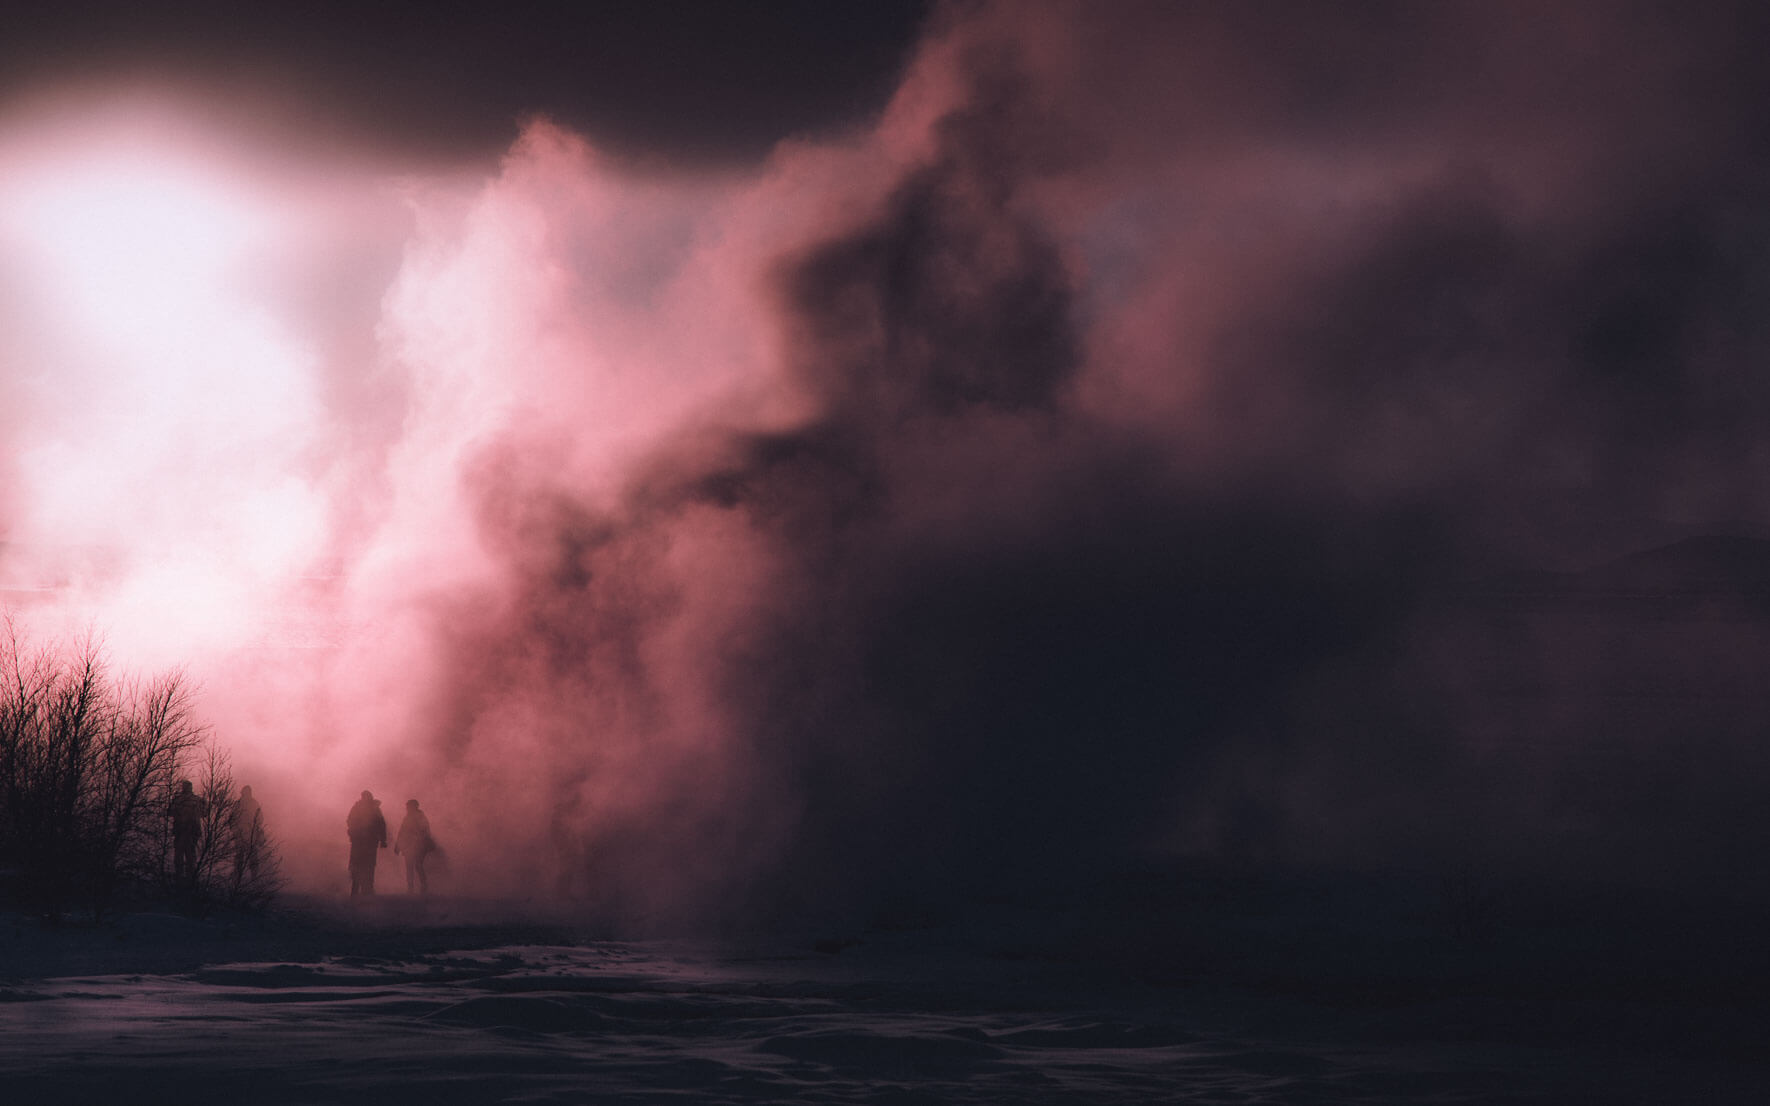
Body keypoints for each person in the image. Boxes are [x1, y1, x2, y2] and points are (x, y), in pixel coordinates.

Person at [346, 790, 387, 896]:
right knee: (364, 864)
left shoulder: (363, 808)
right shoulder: (373, 809)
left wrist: (383, 840)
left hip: (365, 841)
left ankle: (363, 889)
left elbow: (381, 825)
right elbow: (381, 825)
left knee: (363, 864)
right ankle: (361, 889)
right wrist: (383, 840)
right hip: (365, 841)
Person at [393, 798, 436, 895]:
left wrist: (399, 845)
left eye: (409, 806)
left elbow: (425, 832)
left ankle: (421, 886)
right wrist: (398, 846)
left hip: (418, 846)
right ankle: (412, 887)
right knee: (411, 866)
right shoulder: (409, 817)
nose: (407, 808)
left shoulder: (419, 817)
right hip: (409, 846)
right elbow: (402, 832)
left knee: (416, 865)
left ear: (414, 807)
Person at [169, 779, 207, 884]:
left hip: (181, 832)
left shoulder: (178, 799)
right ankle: (190, 880)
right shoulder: (197, 800)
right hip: (191, 832)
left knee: (179, 856)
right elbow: (204, 813)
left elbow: (170, 812)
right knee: (190, 856)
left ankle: (179, 879)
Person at [233, 785, 264, 877]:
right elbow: (232, 819)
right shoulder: (241, 804)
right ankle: (241, 878)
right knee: (243, 857)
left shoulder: (248, 804)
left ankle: (250, 877)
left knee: (249, 857)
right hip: (244, 834)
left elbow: (260, 819)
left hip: (249, 834)